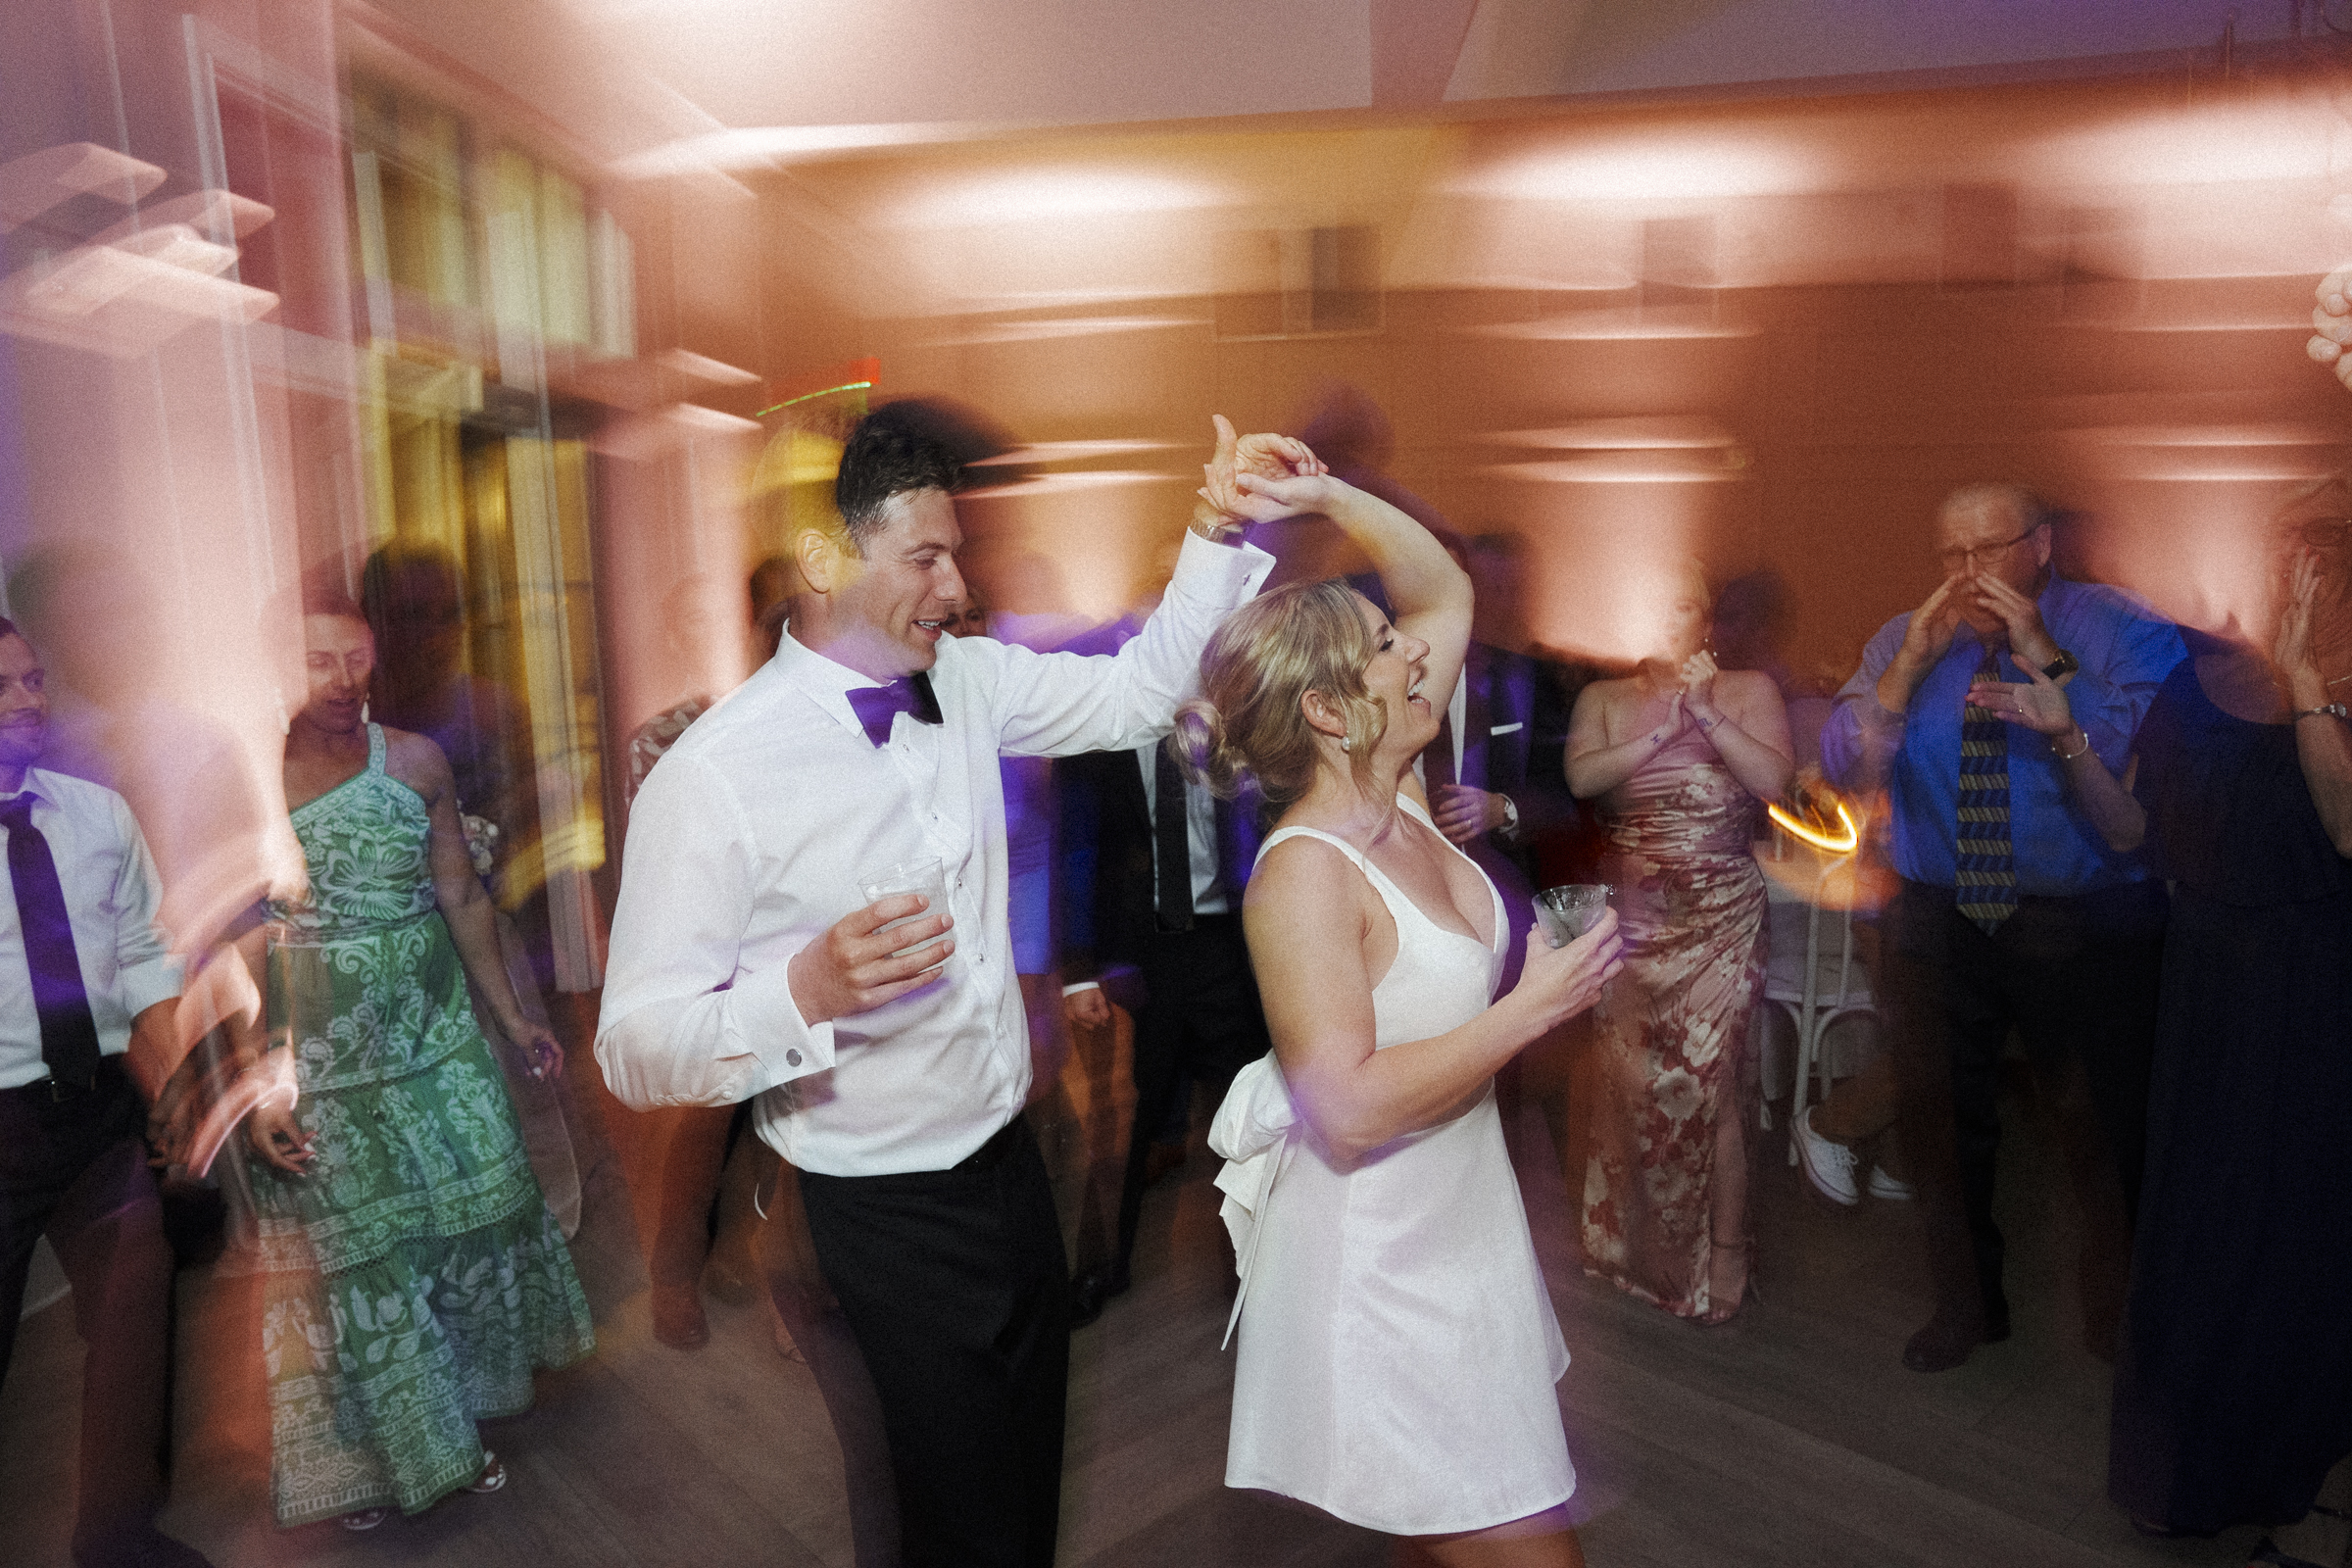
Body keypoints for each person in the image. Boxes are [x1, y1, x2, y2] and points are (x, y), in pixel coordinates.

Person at [596, 406, 1280, 1568]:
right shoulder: (714, 778)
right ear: (824, 560)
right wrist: (800, 990)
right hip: (880, 1212)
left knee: (1020, 1485)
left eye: (956, 554)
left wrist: (1214, 526)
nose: (958, 587)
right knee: (944, 1517)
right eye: (925, 556)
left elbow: (1134, 697)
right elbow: (635, 1044)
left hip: (1012, 1173)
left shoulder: (967, 679)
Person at [1187, 450, 1622, 1565]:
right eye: (1385, 650)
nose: (1416, 648)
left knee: (1435, 1535)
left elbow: (1445, 592)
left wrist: (1326, 497)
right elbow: (1349, 1109)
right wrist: (1533, 1009)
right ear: (1331, 711)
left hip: (1462, 1226)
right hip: (1382, 1269)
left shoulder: (1404, 793)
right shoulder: (1306, 876)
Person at [1968, 521, 2352, 1554]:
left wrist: (2309, 675)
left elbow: (2346, 826)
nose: (2284, 587)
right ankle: (2179, 1476)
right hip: (2205, 986)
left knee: (2295, 1239)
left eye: (2309, 573)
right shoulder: (2194, 685)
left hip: (2315, 990)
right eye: (2280, 568)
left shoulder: (2331, 692)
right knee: (2195, 1235)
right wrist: (2066, 736)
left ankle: (2289, 1476)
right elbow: (2133, 829)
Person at [239, 589, 594, 1531]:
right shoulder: (251, 779)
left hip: (434, 1035)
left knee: (463, 1222)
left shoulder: (419, 761)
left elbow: (463, 899)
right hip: (318, 1063)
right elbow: (230, 949)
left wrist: (514, 1020)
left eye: (358, 658)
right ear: (277, 669)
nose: (345, 680)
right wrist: (258, 1075)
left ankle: (454, 1421)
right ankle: (379, 1452)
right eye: (321, 662)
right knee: (361, 1261)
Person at [1820, 483, 2183, 1372]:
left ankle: (2117, 1319)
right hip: (1941, 914)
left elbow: (2135, 745)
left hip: (2085, 916)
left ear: (2042, 545)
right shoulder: (1905, 638)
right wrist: (1905, 671)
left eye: (1989, 549)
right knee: (1941, 1120)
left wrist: (2042, 652)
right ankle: (1966, 1307)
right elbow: (1841, 763)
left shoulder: (2119, 628)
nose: (1969, 573)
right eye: (1951, 554)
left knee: (2099, 1123)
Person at [0, 617, 214, 1568]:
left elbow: (143, 956)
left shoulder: (95, 815)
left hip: (96, 1115)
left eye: (35, 680)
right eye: (2, 686)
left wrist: (171, 1092)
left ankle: (117, 1538)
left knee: (136, 1317)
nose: (27, 701)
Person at [1566, 561, 1790, 1323]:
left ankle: (1726, 1254)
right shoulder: (1602, 698)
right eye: (1656, 604)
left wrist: (1708, 714)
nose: (1672, 617)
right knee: (1629, 1085)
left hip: (1722, 915)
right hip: (1633, 922)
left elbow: (1774, 785)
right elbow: (1581, 780)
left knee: (1710, 1085)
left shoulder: (1748, 689)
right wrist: (1664, 729)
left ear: (1706, 620)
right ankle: (1633, 1252)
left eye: (1688, 604)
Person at [622, 556, 797, 1351]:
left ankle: (745, 1260)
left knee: (792, 1125)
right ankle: (673, 1274)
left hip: (797, 960)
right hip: (717, 964)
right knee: (707, 1120)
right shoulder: (676, 733)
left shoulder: (819, 719)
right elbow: (653, 875)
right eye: (778, 614)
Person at [1055, 704, 1271, 1326]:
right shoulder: (1108, 730)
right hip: (1141, 952)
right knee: (1123, 1120)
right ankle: (1102, 1264)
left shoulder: (1242, 724)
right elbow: (1081, 848)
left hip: (1230, 944)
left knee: (1247, 1112)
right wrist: (1082, 971)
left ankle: (1256, 1265)